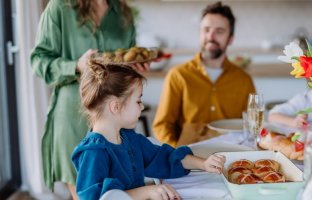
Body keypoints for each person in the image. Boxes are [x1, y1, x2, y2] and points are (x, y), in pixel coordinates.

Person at [30, 0, 149, 198]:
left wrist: (135, 67)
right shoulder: (60, 8)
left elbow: (126, 61)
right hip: (72, 119)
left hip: (117, 119)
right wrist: (76, 65)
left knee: (119, 191)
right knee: (86, 194)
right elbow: (38, 61)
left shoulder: (122, 13)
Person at [72, 61, 225, 200]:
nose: (142, 106)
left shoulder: (130, 139)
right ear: (115, 107)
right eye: (138, 101)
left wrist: (203, 164)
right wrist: (147, 192)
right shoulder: (93, 152)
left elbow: (164, 157)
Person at [153, 1, 256, 147]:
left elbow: (251, 128)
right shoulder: (178, 75)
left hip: (231, 157)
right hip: (188, 157)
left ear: (230, 39)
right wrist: (178, 154)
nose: (211, 36)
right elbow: (162, 125)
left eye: (219, 31)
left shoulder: (244, 80)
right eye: (206, 30)